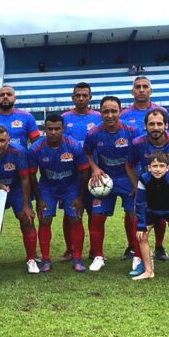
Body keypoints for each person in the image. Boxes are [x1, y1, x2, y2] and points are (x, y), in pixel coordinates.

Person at [128, 109, 169, 277]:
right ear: (145, 126)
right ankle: (142, 262)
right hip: (151, 194)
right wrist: (136, 185)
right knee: (138, 224)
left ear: (166, 125)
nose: (155, 127)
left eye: (159, 124)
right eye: (151, 124)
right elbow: (129, 165)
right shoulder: (137, 143)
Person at [83, 96, 139, 271]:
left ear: (120, 111)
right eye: (105, 111)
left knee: (134, 215)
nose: (109, 115)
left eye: (113, 111)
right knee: (97, 216)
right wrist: (94, 168)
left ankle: (138, 255)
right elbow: (86, 153)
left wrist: (137, 182)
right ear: (100, 112)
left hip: (127, 179)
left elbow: (141, 154)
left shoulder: (132, 131)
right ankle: (98, 256)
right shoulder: (93, 133)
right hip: (104, 180)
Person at [29, 113, 90, 273]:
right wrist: (39, 198)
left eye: (57, 128)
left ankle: (77, 258)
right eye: (50, 129)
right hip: (47, 188)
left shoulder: (73, 145)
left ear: (63, 128)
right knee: (45, 220)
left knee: (75, 219)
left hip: (71, 187)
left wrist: (80, 197)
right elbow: (31, 175)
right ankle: (46, 259)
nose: (53, 132)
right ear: (44, 129)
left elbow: (84, 171)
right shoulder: (36, 148)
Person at [0, 125, 38, 274]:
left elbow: (25, 178)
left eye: (2, 141)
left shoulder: (19, 152)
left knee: (26, 219)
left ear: (8, 140)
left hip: (16, 188)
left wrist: (26, 205)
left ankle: (31, 259)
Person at [120, 76, 169, 260]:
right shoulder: (124, 115)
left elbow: (168, 139)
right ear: (132, 91)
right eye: (137, 87)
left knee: (160, 208)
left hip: (158, 169)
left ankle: (159, 246)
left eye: (145, 87)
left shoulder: (161, 111)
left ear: (150, 90)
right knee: (131, 209)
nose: (141, 90)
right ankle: (132, 246)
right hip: (134, 169)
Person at [61, 82, 102, 261]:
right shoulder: (64, 117)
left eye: (85, 95)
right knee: (70, 213)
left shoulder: (99, 117)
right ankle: (70, 249)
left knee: (95, 213)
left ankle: (95, 251)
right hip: (70, 174)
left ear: (90, 98)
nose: (81, 98)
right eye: (78, 95)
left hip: (94, 172)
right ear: (73, 98)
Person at [132, 152, 169, 283]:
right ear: (149, 167)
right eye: (154, 166)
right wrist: (141, 226)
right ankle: (148, 271)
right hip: (152, 211)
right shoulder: (144, 179)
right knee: (141, 235)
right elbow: (139, 203)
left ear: (167, 168)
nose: (158, 169)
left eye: (161, 166)